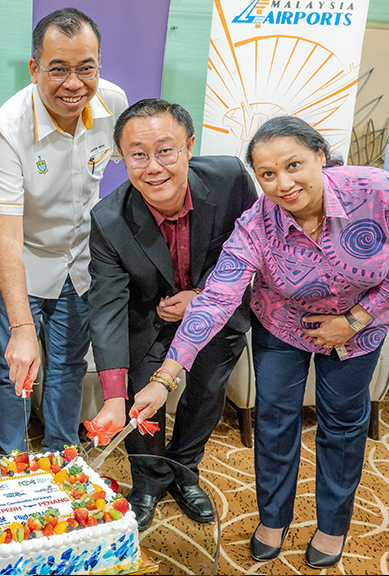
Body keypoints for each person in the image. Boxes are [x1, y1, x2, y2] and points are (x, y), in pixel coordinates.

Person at [130, 115, 389, 568]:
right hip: (282, 326)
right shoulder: (256, 225)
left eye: (293, 165)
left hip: (359, 331)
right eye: (267, 174)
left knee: (343, 425)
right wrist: (166, 377)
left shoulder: (377, 191)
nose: (283, 184)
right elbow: (216, 299)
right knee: (273, 423)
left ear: (320, 156)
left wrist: (353, 320)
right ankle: (273, 519)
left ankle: (333, 526)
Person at [87, 99, 258, 532]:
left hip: (218, 314)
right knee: (141, 402)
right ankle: (148, 481)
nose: (153, 167)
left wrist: (199, 297)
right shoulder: (109, 219)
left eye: (166, 151)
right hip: (149, 319)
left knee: (206, 395)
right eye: (138, 155)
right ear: (121, 157)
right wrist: (113, 395)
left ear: (189, 146)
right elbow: (107, 305)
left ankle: (185, 471)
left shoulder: (231, 180)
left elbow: (253, 251)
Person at [0, 7, 128, 454]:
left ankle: (61, 454)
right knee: (13, 368)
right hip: (20, 262)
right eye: (58, 69)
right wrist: (22, 326)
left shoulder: (113, 103)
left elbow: (137, 173)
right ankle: (11, 459)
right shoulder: (7, 130)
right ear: (34, 69)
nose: (74, 83)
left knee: (68, 365)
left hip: (79, 263)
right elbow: (6, 235)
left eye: (86, 68)